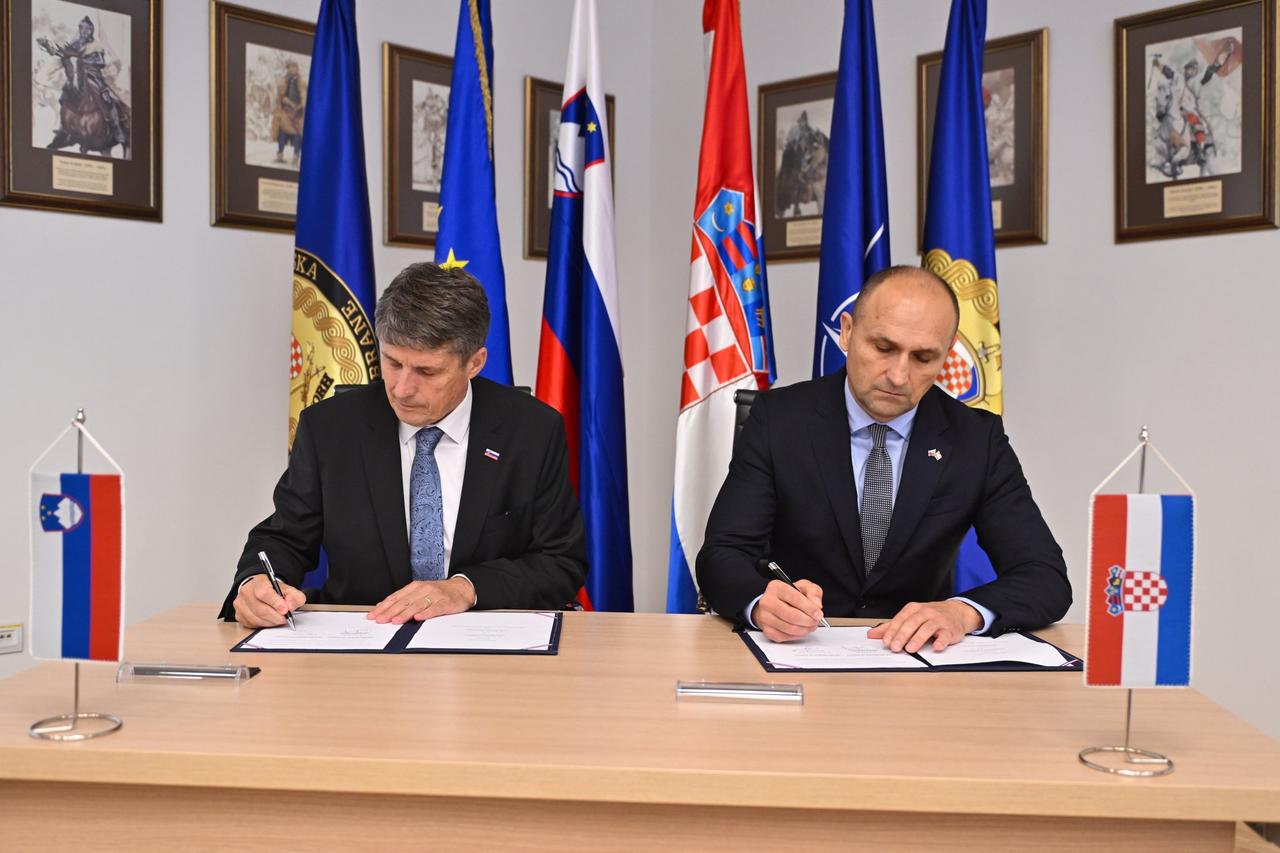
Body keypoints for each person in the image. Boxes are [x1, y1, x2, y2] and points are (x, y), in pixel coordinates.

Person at [696, 265, 1070, 653]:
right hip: (797, 649)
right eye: (883, 348)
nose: (898, 375)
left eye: (924, 357)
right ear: (847, 331)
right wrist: (762, 603)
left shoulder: (976, 439)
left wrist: (962, 613)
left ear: (947, 355)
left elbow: (1044, 577)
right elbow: (722, 556)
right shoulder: (780, 420)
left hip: (913, 659)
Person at [221, 262, 586, 627]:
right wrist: (255, 583)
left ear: (475, 363)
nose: (401, 389)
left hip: (483, 648)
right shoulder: (331, 429)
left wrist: (465, 587)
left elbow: (561, 561)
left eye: (427, 371)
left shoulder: (532, 431)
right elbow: (284, 537)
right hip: (362, 643)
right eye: (393, 363)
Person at [271, 59, 306, 166]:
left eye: (293, 67)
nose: (292, 69)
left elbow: (304, 97)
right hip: (285, 112)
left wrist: (299, 106)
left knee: (297, 135)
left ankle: (296, 157)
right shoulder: (284, 81)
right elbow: (280, 97)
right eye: (289, 67)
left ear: (297, 68)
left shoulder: (302, 82)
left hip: (298, 113)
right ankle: (280, 155)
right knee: (282, 133)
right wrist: (285, 101)